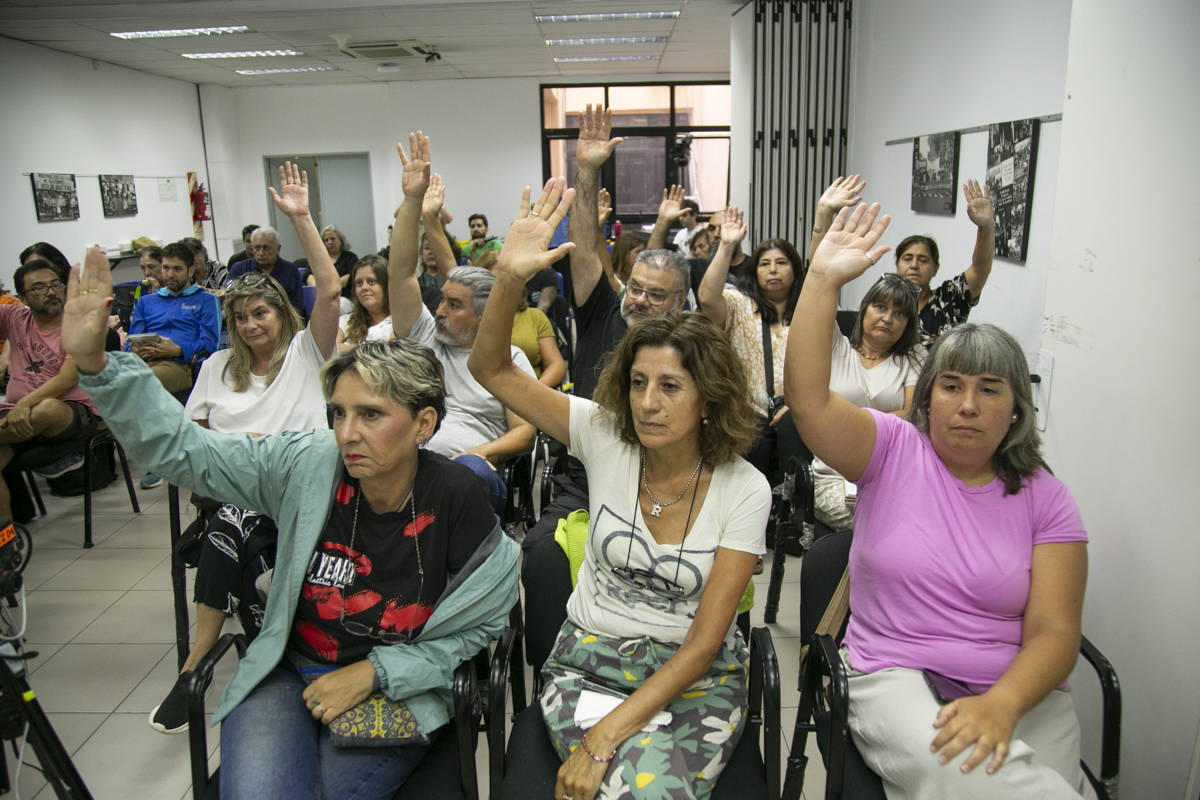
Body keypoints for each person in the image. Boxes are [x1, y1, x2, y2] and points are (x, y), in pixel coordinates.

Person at [65, 246, 518, 800]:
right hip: (289, 669)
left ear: (424, 423)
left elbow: (479, 625)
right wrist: (98, 366)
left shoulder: (456, 495)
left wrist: (375, 673)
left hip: (399, 686)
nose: (347, 433)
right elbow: (187, 453)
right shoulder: (306, 463)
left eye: (371, 414)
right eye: (338, 413)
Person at [469, 175, 770, 800]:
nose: (647, 403)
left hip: (694, 677)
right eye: (638, 383)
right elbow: (490, 367)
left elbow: (705, 643)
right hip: (589, 660)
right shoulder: (604, 434)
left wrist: (604, 737)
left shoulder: (745, 489)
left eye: (670, 387)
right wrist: (508, 279)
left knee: (632, 789)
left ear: (710, 399)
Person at [785, 202, 1093, 798]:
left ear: (1017, 409)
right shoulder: (892, 449)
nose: (968, 406)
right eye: (951, 386)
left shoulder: (1048, 498)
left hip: (1020, 687)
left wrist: (1004, 703)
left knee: (1054, 785)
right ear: (928, 397)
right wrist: (821, 278)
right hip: (897, 674)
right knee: (1003, 784)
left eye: (989, 390)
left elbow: (1056, 632)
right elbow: (808, 400)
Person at [146, 163, 343, 735]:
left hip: (297, 486)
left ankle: (195, 667)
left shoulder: (308, 354)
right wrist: (235, 450)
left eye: (262, 313)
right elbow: (188, 440)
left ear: (282, 313)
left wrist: (301, 218)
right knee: (231, 521)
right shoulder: (214, 368)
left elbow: (331, 289)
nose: (252, 325)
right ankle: (241, 646)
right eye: (241, 317)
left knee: (228, 526)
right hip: (230, 487)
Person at [525, 105, 690, 553]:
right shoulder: (604, 312)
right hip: (588, 476)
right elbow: (582, 249)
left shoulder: (691, 344)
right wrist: (587, 170)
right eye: (635, 287)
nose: (639, 300)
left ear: (679, 303)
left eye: (655, 295)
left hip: (661, 478)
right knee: (543, 556)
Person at [388, 133, 537, 516]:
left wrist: (478, 452)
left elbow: (525, 433)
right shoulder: (425, 335)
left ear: (484, 316)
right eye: (442, 300)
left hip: (470, 471)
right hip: (406, 462)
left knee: (465, 474)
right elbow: (400, 275)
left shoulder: (510, 360)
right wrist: (413, 201)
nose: (439, 311)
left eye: (454, 305)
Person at [811, 176, 995, 346]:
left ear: (935, 268)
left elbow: (980, 269)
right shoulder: (882, 302)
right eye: (907, 259)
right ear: (897, 264)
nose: (914, 265)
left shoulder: (947, 299)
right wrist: (824, 213)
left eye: (923, 260)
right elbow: (820, 278)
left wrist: (985, 227)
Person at [809, 272, 924, 531]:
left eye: (900, 313)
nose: (888, 318)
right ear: (864, 307)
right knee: (885, 525)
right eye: (880, 307)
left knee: (912, 522)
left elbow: (913, 414)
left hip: (890, 477)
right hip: (834, 477)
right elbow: (818, 292)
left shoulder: (912, 357)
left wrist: (849, 421)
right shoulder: (836, 346)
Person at [697, 206, 804, 483]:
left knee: (797, 434)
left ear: (795, 269)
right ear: (754, 271)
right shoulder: (740, 303)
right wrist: (727, 245)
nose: (773, 270)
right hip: (748, 414)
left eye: (781, 263)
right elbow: (707, 298)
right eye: (764, 264)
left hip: (798, 413)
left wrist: (796, 407)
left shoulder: (808, 312)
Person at [0, 259, 100, 514]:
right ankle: (6, 535)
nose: (51, 292)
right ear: (22, 297)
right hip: (16, 415)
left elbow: (68, 378)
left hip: (71, 413)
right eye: (39, 287)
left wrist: (25, 403)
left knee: (48, 409)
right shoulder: (14, 318)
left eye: (56, 285)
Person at [127, 240, 221, 395]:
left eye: (177, 269)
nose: (170, 274)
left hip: (182, 365)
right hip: (145, 362)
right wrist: (134, 350)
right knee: (108, 380)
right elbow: (131, 340)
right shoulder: (146, 302)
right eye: (166, 268)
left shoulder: (206, 300)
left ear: (190, 271)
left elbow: (210, 346)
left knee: (137, 381)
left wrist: (178, 350)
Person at [228, 226, 306, 313]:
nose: (261, 253)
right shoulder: (239, 269)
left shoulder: (290, 270)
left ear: (278, 249)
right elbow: (231, 304)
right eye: (257, 248)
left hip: (283, 319)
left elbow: (296, 307)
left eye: (266, 248)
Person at [337, 254, 393, 352]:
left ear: (386, 285)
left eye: (371, 281)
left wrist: (349, 349)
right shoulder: (344, 321)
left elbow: (391, 352)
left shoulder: (398, 322)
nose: (364, 287)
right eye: (359, 283)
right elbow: (331, 352)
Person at [301, 224, 359, 301]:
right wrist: (319, 289)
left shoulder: (350, 257)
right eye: (326, 240)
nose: (329, 242)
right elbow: (307, 275)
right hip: (321, 297)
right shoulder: (318, 259)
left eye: (332, 239)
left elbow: (352, 276)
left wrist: (331, 289)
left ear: (341, 240)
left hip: (343, 297)